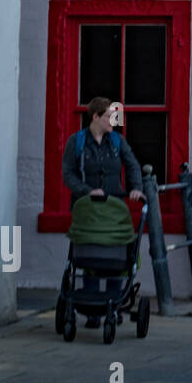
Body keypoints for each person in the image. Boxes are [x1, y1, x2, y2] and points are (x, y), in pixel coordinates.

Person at [61, 96, 145, 328]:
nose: (114, 121)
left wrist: (136, 188)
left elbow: (133, 165)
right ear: (96, 117)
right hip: (87, 210)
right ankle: (91, 310)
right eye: (110, 116)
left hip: (113, 210)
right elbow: (68, 174)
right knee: (90, 256)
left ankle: (113, 304)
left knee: (114, 257)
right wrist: (87, 191)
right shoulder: (76, 142)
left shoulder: (117, 142)